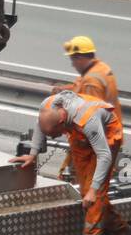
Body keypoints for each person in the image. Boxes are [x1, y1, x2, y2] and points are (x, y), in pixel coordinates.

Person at [11, 90, 131, 235]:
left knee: (94, 196)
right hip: (79, 136)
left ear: (62, 122)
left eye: (55, 134)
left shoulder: (88, 120)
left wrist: (94, 189)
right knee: (86, 194)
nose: (53, 137)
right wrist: (33, 154)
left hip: (105, 137)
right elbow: (40, 125)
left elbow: (104, 156)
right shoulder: (47, 107)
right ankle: (123, 231)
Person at [50, 35, 121, 179]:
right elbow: (80, 88)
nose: (72, 64)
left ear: (80, 58)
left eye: (73, 60)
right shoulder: (99, 69)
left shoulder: (91, 81)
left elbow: (90, 117)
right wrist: (64, 90)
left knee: (81, 185)